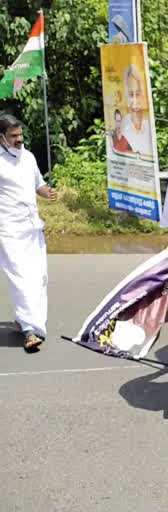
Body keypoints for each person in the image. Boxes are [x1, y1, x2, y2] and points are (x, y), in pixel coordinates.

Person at [0, 115, 58, 351]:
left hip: (32, 226)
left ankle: (24, 319)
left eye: (20, 135)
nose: (19, 140)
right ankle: (29, 330)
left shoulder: (29, 157)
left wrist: (47, 193)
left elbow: (38, 185)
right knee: (20, 277)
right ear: (1, 138)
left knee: (38, 276)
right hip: (8, 228)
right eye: (14, 136)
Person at [121, 64, 153, 155]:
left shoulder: (149, 125)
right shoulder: (125, 123)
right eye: (131, 94)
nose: (134, 102)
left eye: (138, 94)